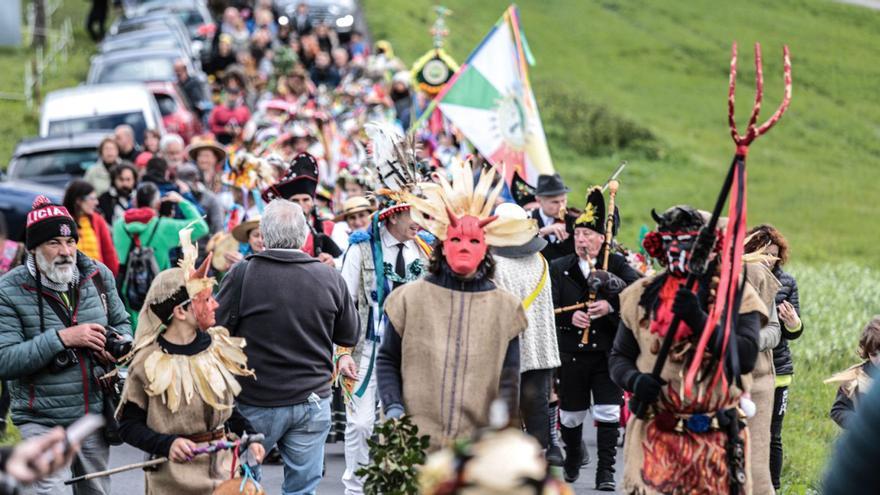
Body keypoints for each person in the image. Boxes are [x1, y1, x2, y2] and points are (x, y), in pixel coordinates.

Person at [608, 205, 768, 494]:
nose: (677, 251)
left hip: (716, 443)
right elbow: (619, 357)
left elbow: (744, 358)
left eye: (686, 243)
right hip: (656, 439)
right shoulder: (639, 296)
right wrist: (634, 380)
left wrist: (699, 320)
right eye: (671, 243)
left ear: (708, 249)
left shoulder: (736, 295)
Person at [376, 164, 534, 451]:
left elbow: (509, 379)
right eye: (456, 239)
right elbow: (387, 359)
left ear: (486, 247)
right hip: (413, 443)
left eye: (473, 240)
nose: (464, 247)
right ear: (442, 244)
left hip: (475, 448)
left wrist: (502, 431)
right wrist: (394, 408)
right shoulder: (408, 300)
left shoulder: (506, 309)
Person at [215, 199, 359, 494]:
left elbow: (217, 329)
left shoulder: (242, 274)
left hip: (255, 401)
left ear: (264, 236)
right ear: (305, 235)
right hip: (311, 400)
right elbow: (349, 334)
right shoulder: (330, 277)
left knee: (243, 485)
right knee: (302, 490)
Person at [0, 195, 131, 495]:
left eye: (70, 241)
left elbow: (123, 325)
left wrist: (117, 345)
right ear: (33, 248)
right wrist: (62, 339)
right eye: (54, 243)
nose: (65, 251)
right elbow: (5, 360)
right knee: (50, 492)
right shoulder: (8, 290)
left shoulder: (98, 275)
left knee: (96, 491)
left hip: (93, 412)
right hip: (40, 418)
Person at [117, 232, 265, 493]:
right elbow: (128, 426)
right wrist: (166, 444)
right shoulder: (147, 362)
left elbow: (229, 409)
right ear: (180, 311)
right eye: (206, 299)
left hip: (222, 472)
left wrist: (249, 437)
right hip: (173, 480)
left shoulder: (216, 347)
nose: (216, 304)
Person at [337, 196, 431, 494]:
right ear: (392, 217)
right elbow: (342, 304)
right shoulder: (361, 249)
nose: (419, 221)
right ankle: (356, 488)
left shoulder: (427, 248)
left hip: (413, 353)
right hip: (367, 350)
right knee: (361, 424)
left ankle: (401, 486)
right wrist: (341, 353)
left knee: (404, 424)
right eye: (412, 214)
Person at [489, 203, 562, 462]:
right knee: (537, 408)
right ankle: (540, 463)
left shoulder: (494, 264)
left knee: (504, 411)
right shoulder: (541, 261)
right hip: (539, 348)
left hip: (507, 349)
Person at [744, 224, 803, 490]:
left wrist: (794, 323)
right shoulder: (742, 279)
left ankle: (773, 487)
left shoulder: (786, 282)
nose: (770, 259)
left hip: (778, 369)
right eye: (765, 253)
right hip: (746, 370)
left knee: (772, 435)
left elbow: (791, 333)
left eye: (775, 254)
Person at [113, 183, 209, 325]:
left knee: (134, 330)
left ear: (135, 202)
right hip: (160, 290)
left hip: (127, 289)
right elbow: (201, 227)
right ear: (157, 203)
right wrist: (181, 201)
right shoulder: (164, 226)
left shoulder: (119, 225)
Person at [261, 153, 342, 266]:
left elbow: (347, 260)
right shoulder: (276, 228)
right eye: (295, 201)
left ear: (312, 202)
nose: (300, 205)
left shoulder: (331, 228)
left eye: (305, 200)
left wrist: (333, 262)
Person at [825, 316, 880, 429]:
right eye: (874, 354)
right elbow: (839, 410)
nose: (879, 360)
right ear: (867, 352)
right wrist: (860, 424)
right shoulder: (855, 378)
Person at [63, 180, 119, 276]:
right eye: (92, 198)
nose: (96, 202)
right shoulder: (64, 221)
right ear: (78, 200)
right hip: (72, 279)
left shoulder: (97, 220)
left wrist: (111, 278)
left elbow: (108, 252)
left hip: (96, 278)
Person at [531, 173, 577, 262]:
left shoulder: (574, 219)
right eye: (555, 202)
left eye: (563, 200)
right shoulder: (529, 218)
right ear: (539, 200)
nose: (561, 207)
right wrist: (542, 232)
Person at [330, 196, 374, 261]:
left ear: (371, 217)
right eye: (352, 218)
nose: (357, 222)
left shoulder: (381, 238)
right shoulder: (346, 242)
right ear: (346, 222)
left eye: (361, 215)